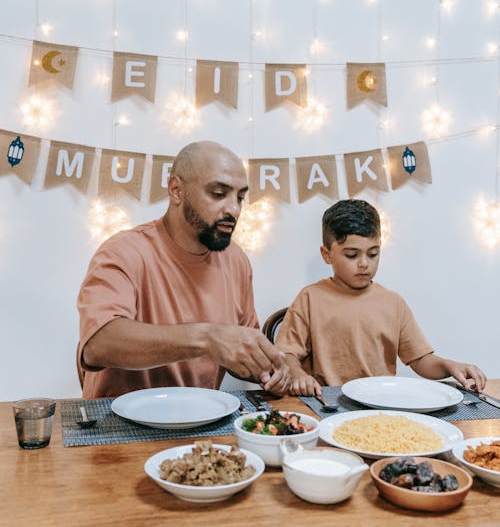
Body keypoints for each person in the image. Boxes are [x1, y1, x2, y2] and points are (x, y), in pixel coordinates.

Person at [77, 140, 289, 398]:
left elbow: (242, 350)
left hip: (202, 421)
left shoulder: (237, 260)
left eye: (240, 197)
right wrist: (207, 339)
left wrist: (270, 370)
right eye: (218, 194)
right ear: (176, 190)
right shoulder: (124, 251)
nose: (234, 209)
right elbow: (98, 345)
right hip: (118, 425)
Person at [275, 198, 487, 397]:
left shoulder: (393, 303)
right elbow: (287, 354)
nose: (364, 263)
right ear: (327, 254)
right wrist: (299, 375)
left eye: (373, 254)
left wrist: (451, 367)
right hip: (327, 401)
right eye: (351, 255)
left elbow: (421, 360)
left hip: (380, 403)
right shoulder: (310, 297)